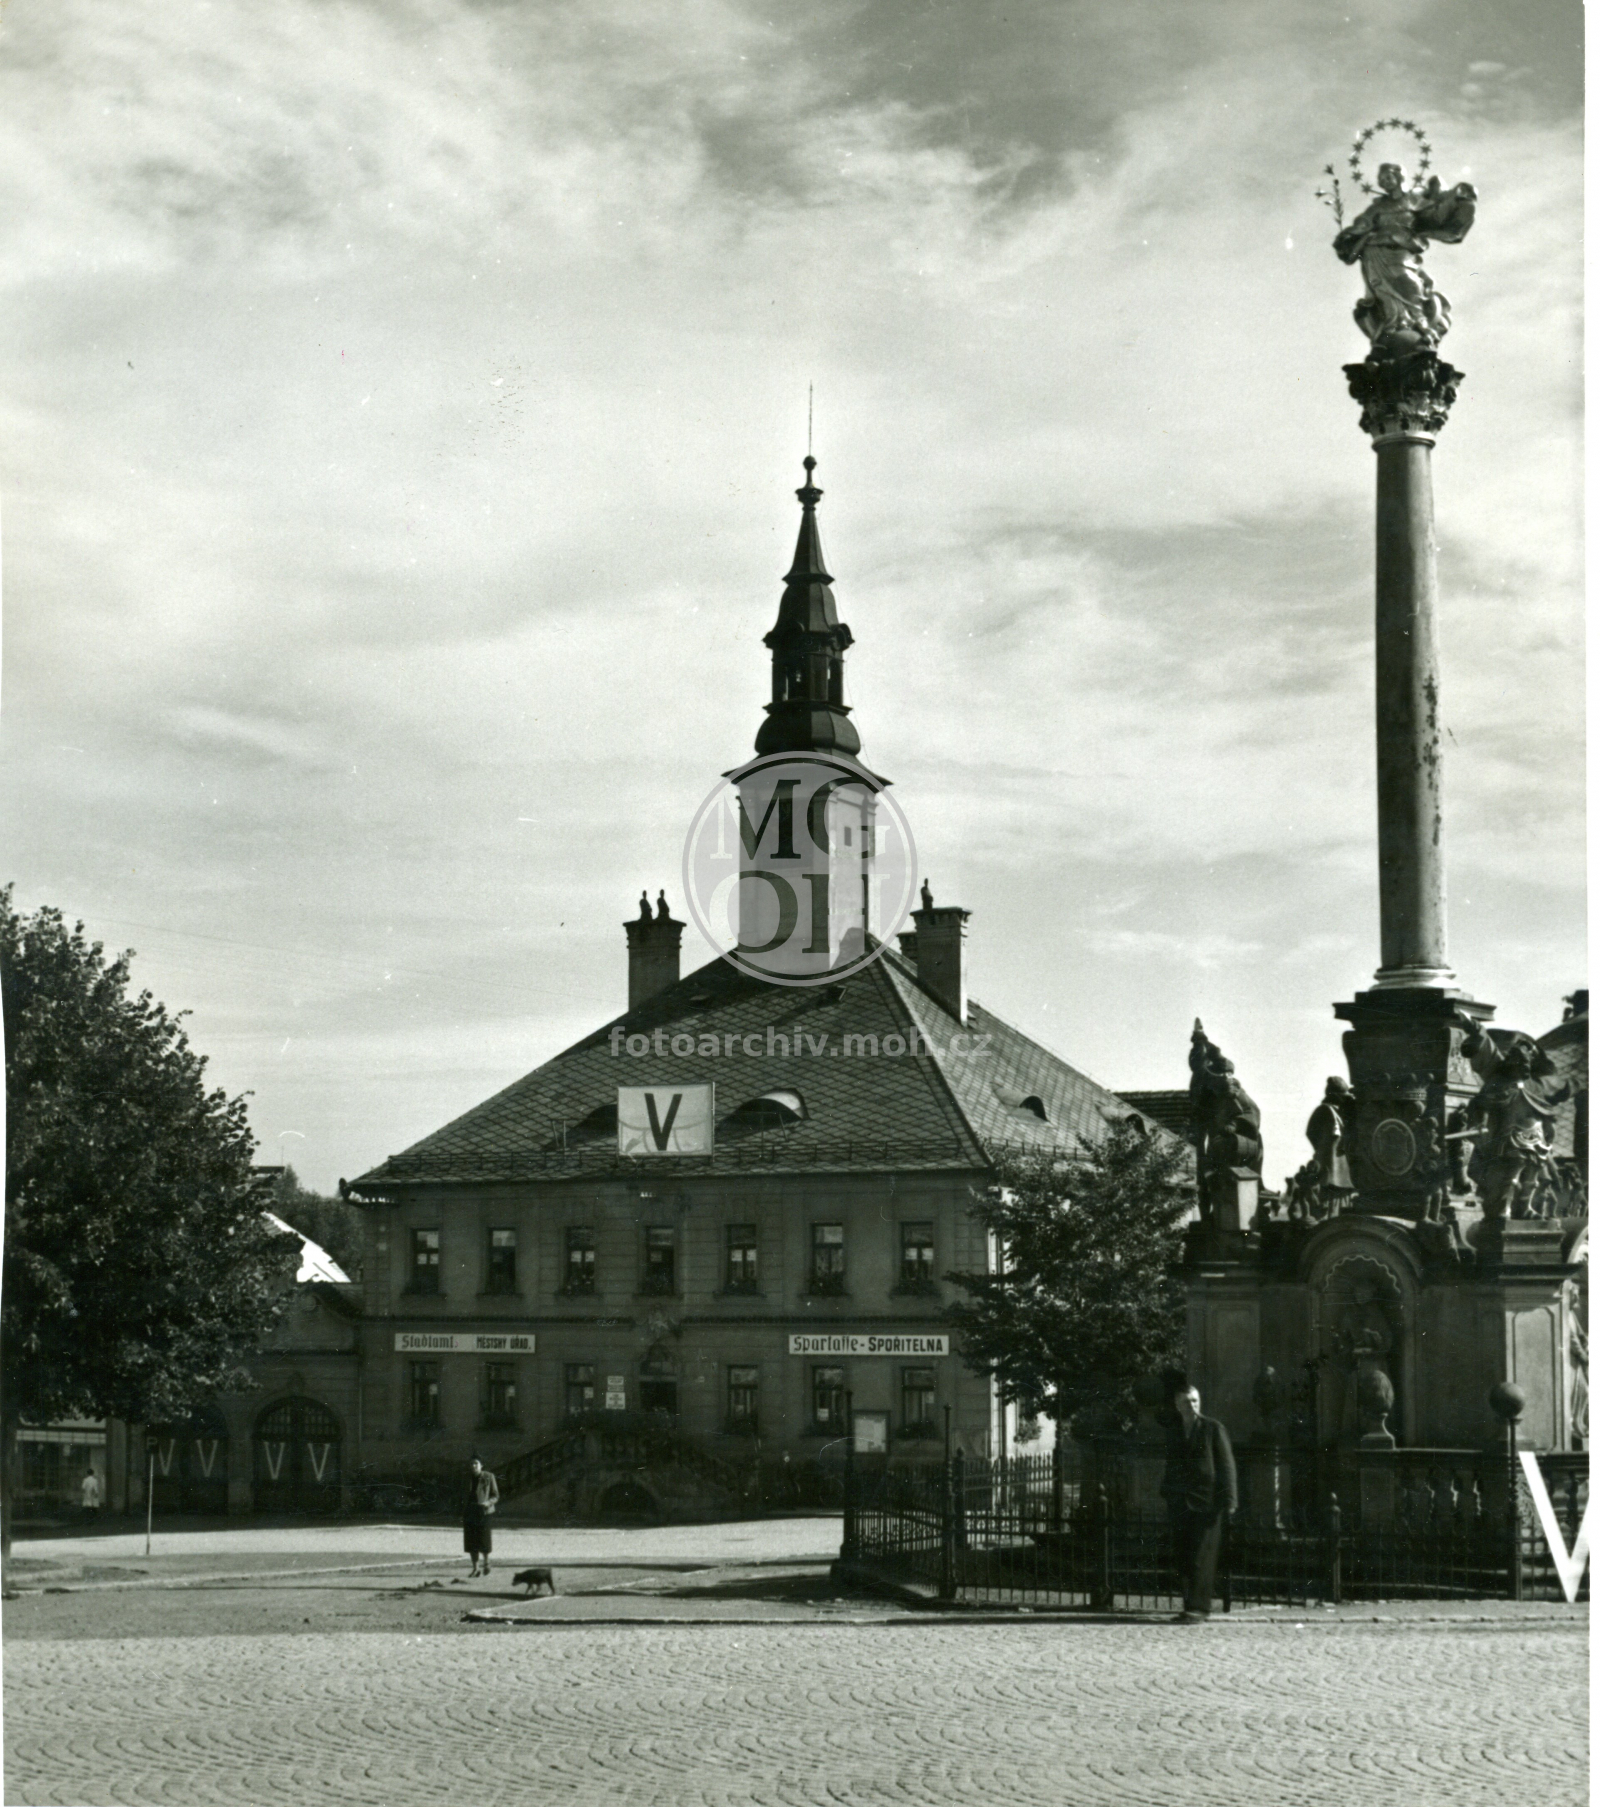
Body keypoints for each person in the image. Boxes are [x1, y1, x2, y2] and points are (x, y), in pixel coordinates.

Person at [1160, 1380, 1237, 1623]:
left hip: (1207, 1503)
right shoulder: (1174, 1431)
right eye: (1186, 1401)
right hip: (1180, 1503)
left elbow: (1226, 1465)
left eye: (1195, 1400)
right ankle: (1189, 1605)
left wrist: (1230, 1500)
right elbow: (1171, 1464)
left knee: (1202, 1556)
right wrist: (1167, 1491)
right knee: (1183, 1554)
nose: (1191, 1405)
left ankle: (1200, 1608)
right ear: (1177, 1404)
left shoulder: (1213, 1428)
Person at [462, 1456, 499, 1578]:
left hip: (484, 1512)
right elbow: (462, 1495)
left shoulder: (488, 1476)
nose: (473, 1466)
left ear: (481, 1465)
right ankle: (475, 1568)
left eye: (476, 1463)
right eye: (471, 1463)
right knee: (471, 1541)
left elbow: (495, 1495)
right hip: (470, 1512)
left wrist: (487, 1503)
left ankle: (487, 1562)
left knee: (484, 1539)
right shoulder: (466, 1478)